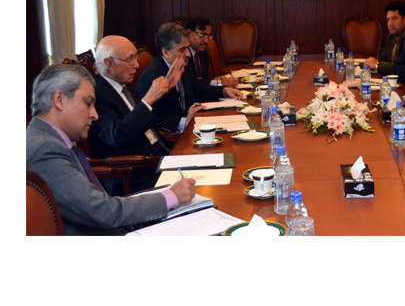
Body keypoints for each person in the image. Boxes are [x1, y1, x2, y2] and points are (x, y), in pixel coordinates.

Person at [26, 64, 196, 236]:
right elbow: (101, 212)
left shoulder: (49, 139)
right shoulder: (45, 149)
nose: (95, 114)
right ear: (59, 100)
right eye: (87, 103)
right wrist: (171, 197)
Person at [89, 36, 185, 194]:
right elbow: (117, 135)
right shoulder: (97, 94)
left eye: (136, 58)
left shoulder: (123, 85)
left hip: (158, 158)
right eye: (130, 59)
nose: (137, 65)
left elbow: (146, 119)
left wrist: (163, 92)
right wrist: (148, 99)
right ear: (109, 64)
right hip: (136, 173)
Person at [136, 23, 243, 133]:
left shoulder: (181, 65)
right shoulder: (151, 78)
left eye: (188, 48)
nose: (188, 54)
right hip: (172, 137)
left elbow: (197, 89)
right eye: (182, 50)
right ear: (166, 52)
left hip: (192, 126)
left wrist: (224, 90)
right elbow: (152, 119)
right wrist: (185, 121)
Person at [184, 16, 238, 87]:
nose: (206, 41)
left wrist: (216, 80)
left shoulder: (203, 52)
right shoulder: (182, 54)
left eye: (208, 36)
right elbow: (193, 83)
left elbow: (202, 81)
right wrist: (218, 83)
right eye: (202, 35)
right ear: (188, 33)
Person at [364, 1, 405, 75]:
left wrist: (377, 65)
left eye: (394, 18)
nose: (390, 24)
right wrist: (371, 63)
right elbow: (382, 59)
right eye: (388, 19)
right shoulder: (391, 37)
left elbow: (400, 67)